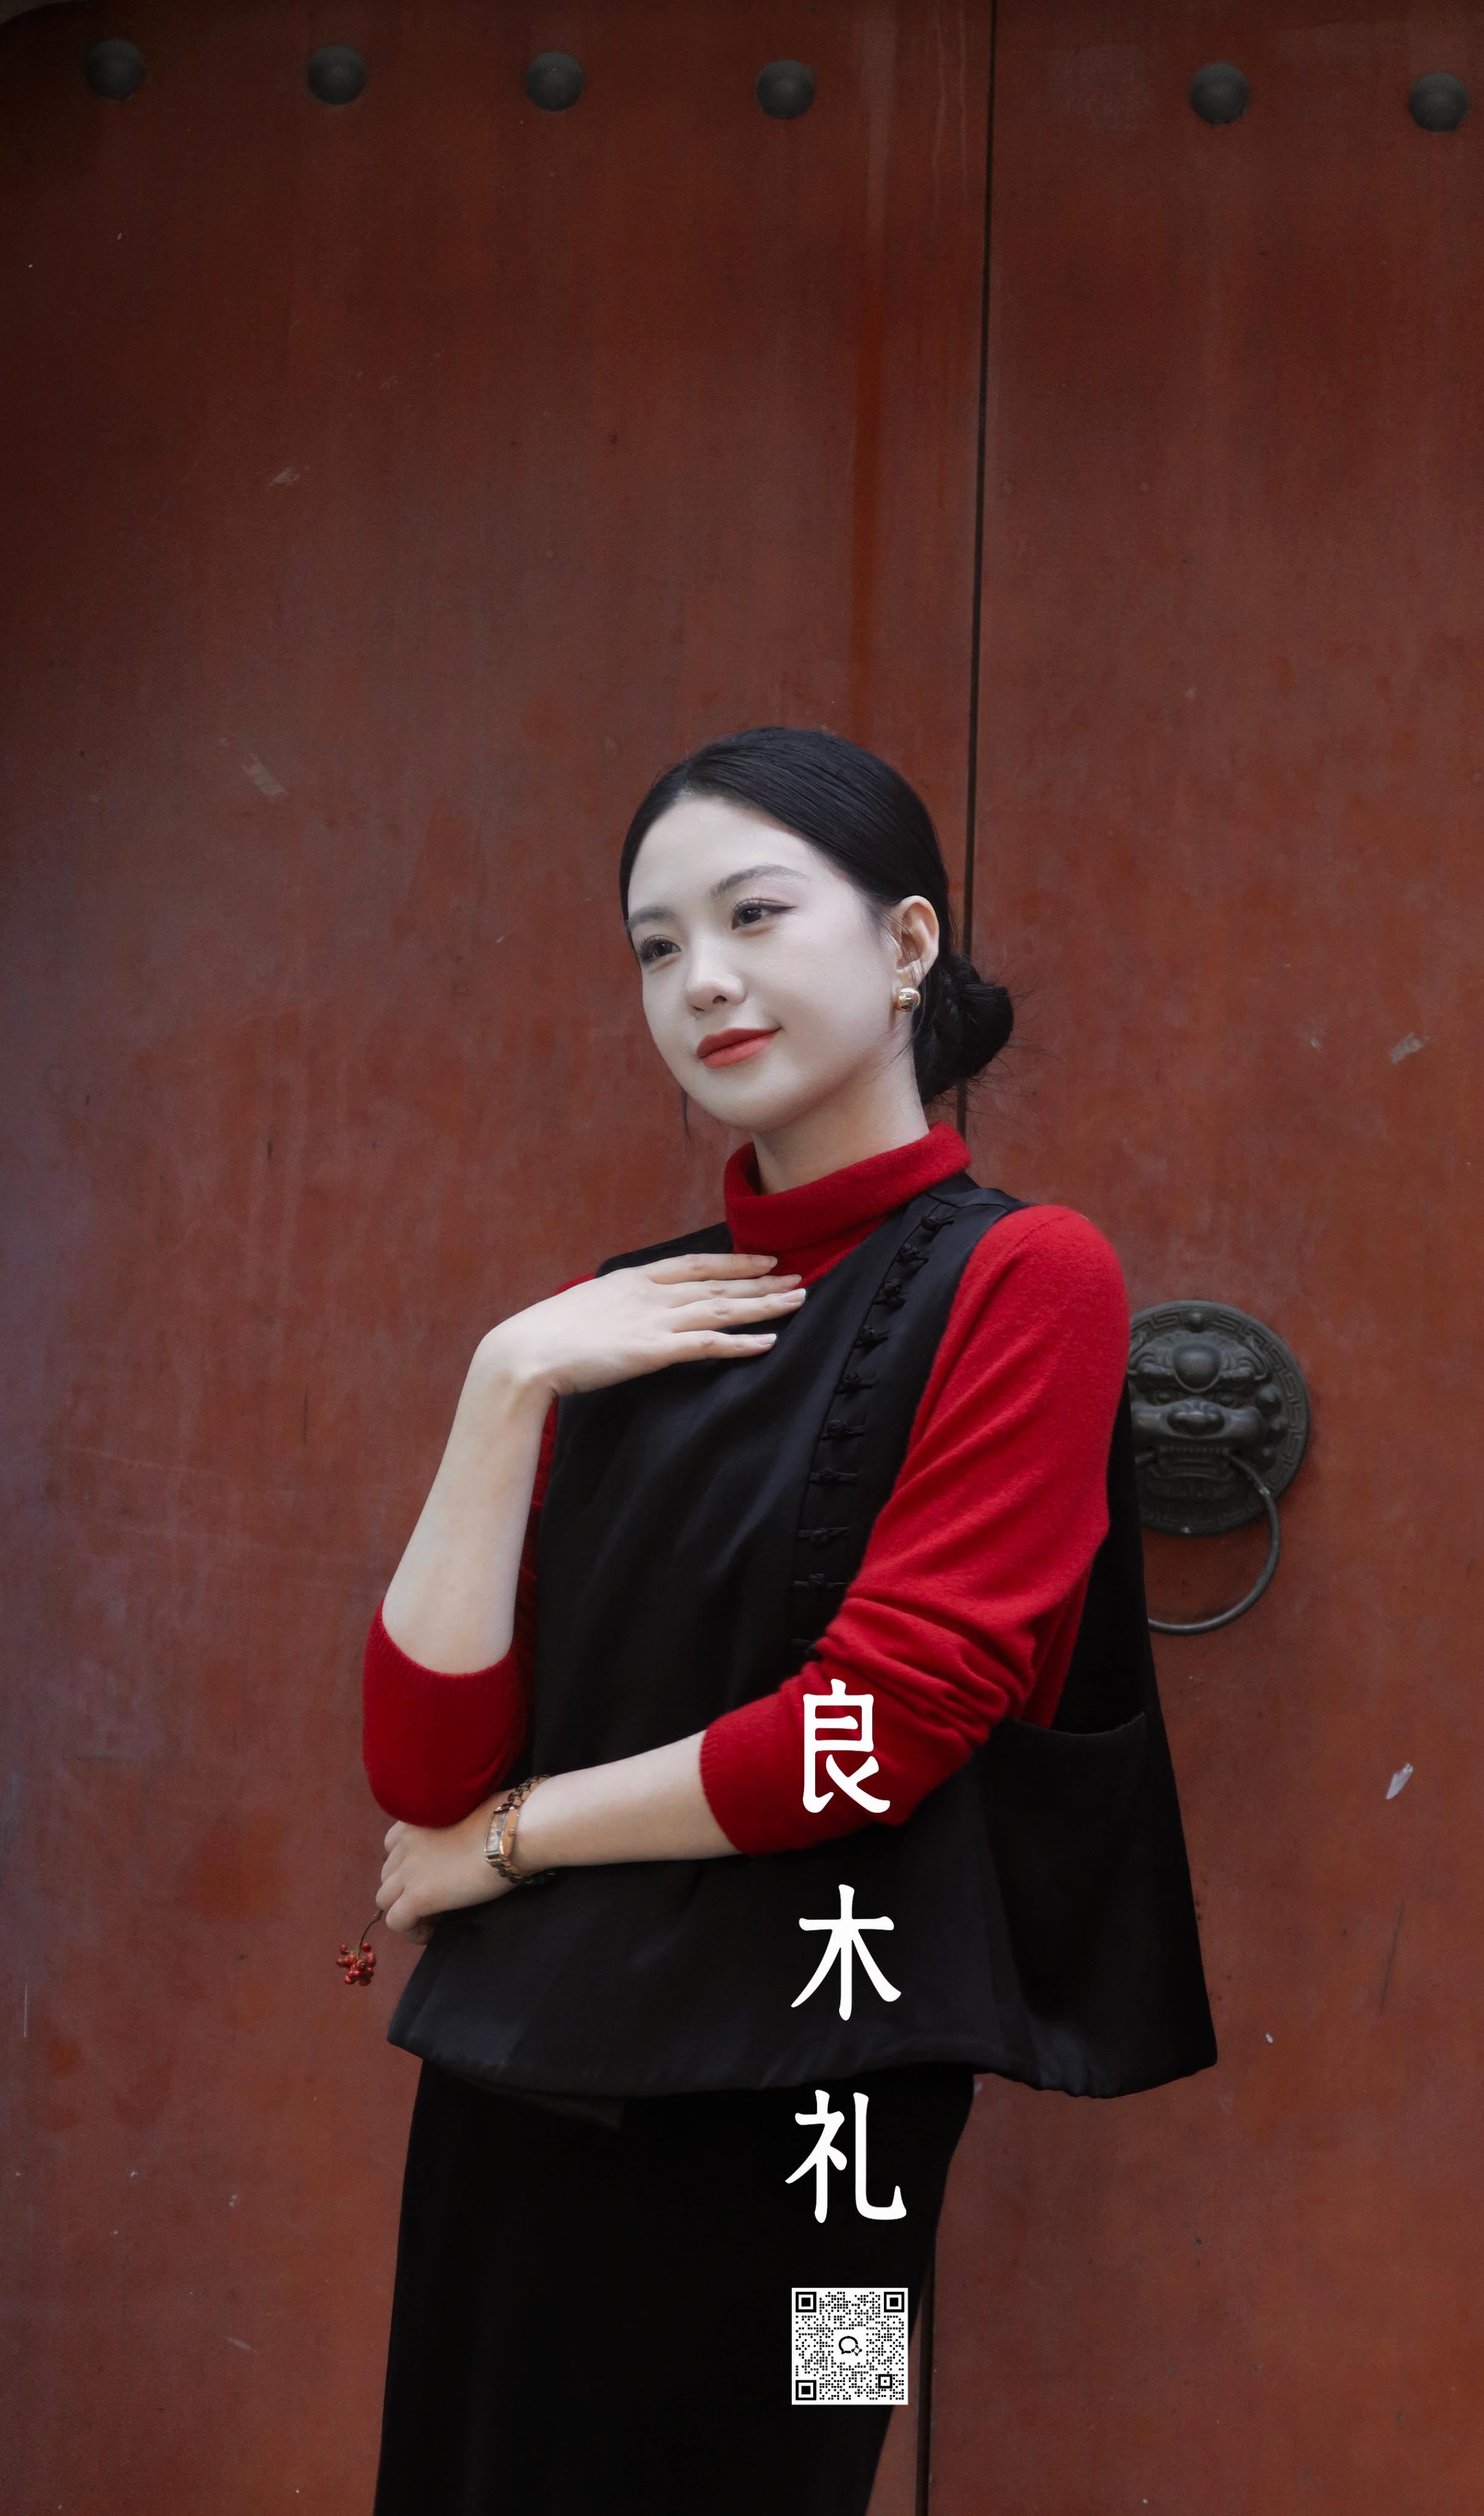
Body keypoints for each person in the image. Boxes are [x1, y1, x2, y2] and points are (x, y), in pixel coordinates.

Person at [360, 725, 1216, 2515]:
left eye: (754, 914)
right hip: (532, 2077)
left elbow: (877, 1733)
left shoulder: (1030, 1274)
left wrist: (509, 1843)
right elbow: (421, 1768)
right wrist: (500, 1385)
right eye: (656, 946)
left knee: (796, 2468)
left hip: (845, 2109)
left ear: (906, 944)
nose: (701, 980)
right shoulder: (612, 1321)